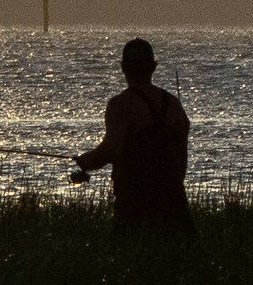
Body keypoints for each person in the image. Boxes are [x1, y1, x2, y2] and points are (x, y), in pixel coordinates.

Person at [71, 37, 192, 227]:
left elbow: (112, 148)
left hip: (135, 203)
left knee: (130, 253)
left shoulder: (120, 104)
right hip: (174, 202)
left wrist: (87, 161)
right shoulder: (174, 105)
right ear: (153, 67)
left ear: (123, 67)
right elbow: (181, 157)